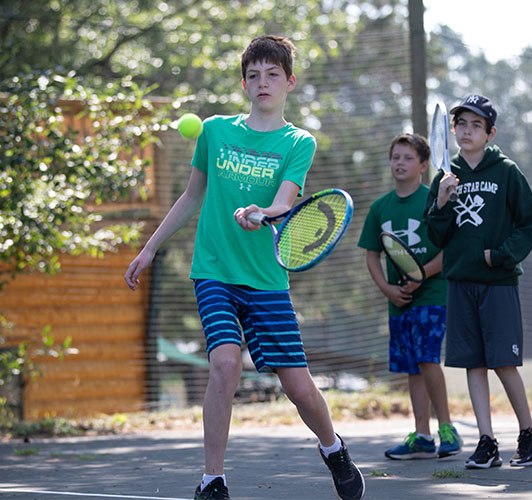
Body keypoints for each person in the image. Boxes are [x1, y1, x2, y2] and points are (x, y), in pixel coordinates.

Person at [124, 35, 365, 500]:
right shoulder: (214, 132)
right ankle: (212, 480)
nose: (262, 82)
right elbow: (192, 195)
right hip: (213, 270)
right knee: (225, 364)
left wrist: (263, 215)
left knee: (298, 387)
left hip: (266, 279)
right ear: (243, 83)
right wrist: (150, 248)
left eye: (272, 74)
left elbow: (283, 203)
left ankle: (333, 447)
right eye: (253, 75)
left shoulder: (298, 142)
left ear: (290, 82)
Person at [424, 94, 532, 469]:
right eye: (460, 124)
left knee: (503, 363)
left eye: (476, 125)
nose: (466, 130)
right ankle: (486, 440)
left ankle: (530, 434)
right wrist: (442, 202)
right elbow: (435, 235)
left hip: (498, 283)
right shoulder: (445, 176)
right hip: (460, 283)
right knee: (472, 364)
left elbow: (528, 222)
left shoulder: (506, 171)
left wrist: (501, 255)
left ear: (490, 133)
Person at [357, 133, 463, 461]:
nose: (399, 163)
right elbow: (372, 255)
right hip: (398, 300)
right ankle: (422, 436)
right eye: (395, 157)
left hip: (431, 294)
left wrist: (420, 278)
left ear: (423, 166)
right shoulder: (380, 208)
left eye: (407, 158)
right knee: (412, 366)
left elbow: (450, 252)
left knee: (427, 358)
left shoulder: (434, 200)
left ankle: (447, 428)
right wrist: (388, 289)